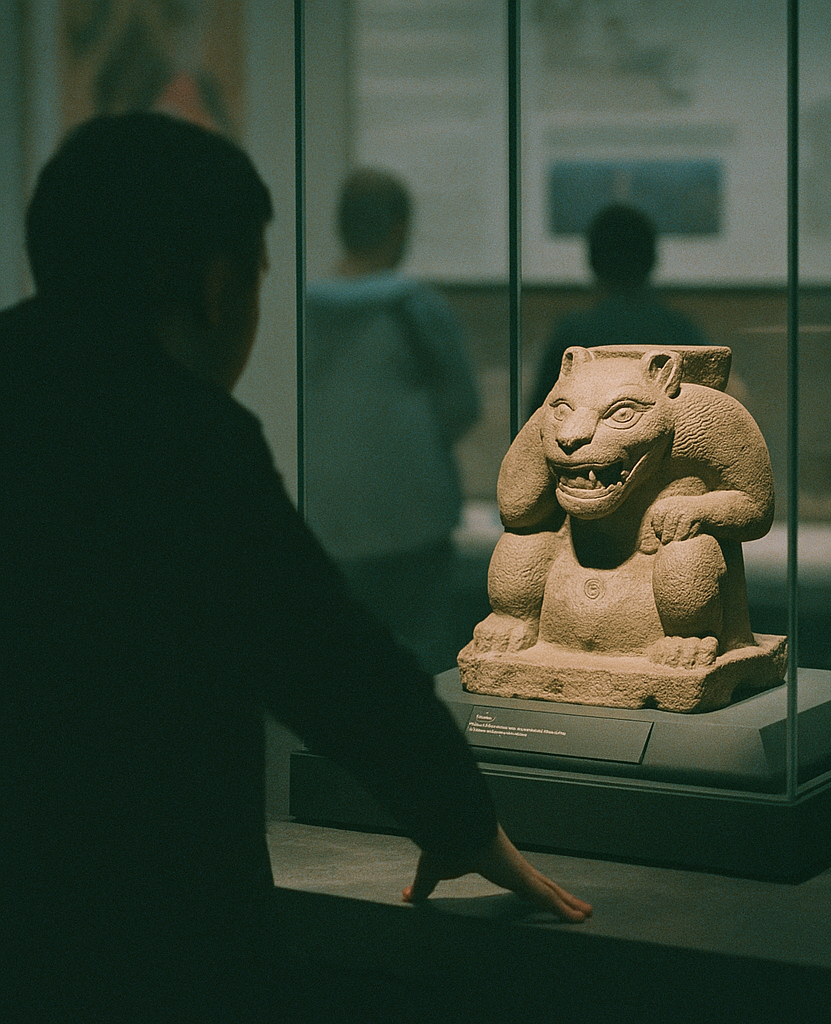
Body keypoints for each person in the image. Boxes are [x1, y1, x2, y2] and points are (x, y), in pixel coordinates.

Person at [0, 112, 590, 1023]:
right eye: (254, 275)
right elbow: (332, 661)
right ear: (210, 280)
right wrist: (458, 818)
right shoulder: (182, 438)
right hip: (146, 928)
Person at [304, 168, 480, 674]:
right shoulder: (417, 309)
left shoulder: (301, 310)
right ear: (399, 227)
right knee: (418, 665)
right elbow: (461, 406)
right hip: (414, 520)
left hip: (327, 520)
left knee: (341, 668)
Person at [528, 203, 710, 414]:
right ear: (651, 259)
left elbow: (539, 418)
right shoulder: (681, 331)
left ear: (594, 262)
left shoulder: (574, 333)